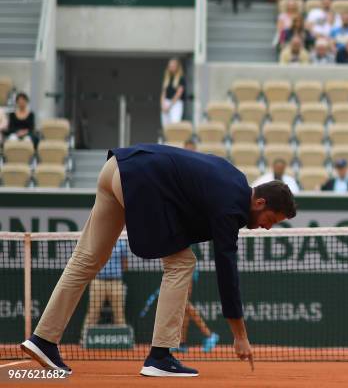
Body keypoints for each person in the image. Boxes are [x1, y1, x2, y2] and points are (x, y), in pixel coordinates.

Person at [21, 143, 297, 376]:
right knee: (182, 262)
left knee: (85, 259)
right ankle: (160, 356)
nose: (268, 227)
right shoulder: (231, 207)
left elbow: (184, 207)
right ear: (259, 203)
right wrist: (240, 336)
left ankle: (43, 339)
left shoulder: (233, 178)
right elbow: (227, 272)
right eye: (270, 220)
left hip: (116, 168)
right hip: (139, 181)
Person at [82, 240, 128, 334]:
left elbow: (124, 264)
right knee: (93, 312)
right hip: (98, 282)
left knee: (119, 313)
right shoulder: (97, 241)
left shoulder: (122, 243)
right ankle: (85, 339)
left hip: (116, 283)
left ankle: (123, 340)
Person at [171, 267, 220, 353]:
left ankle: (209, 335)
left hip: (185, 268)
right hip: (180, 269)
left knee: (183, 303)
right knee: (184, 309)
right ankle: (182, 343)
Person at [160, 59, 186, 127]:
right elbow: (163, 93)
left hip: (176, 103)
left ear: (177, 67)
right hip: (166, 102)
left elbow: (179, 93)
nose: (171, 68)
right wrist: (163, 104)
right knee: (166, 125)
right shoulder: (167, 78)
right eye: (170, 66)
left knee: (174, 124)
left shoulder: (181, 78)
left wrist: (170, 105)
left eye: (172, 66)